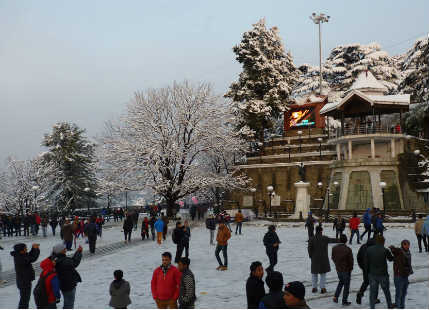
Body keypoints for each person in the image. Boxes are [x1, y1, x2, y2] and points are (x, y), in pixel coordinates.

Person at [308, 226, 339, 294]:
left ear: (315, 231)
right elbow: (333, 240)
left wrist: (311, 256)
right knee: (323, 274)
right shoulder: (324, 238)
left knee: (314, 274)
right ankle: (322, 288)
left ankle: (314, 287)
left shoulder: (311, 238)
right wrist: (341, 239)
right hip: (323, 259)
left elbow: (309, 249)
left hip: (314, 258)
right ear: (321, 231)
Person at [366, 235, 394, 309]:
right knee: (386, 291)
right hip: (383, 274)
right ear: (383, 242)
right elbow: (391, 259)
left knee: (372, 292)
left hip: (372, 274)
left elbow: (366, 262)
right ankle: (389, 305)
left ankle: (372, 307)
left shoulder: (369, 249)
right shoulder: (385, 250)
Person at [10, 243, 41, 308]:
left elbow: (29, 255)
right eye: (25, 248)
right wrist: (36, 249)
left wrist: (33, 248)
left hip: (24, 281)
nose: (26, 249)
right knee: (24, 300)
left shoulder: (20, 255)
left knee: (25, 299)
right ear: (21, 250)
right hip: (24, 282)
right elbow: (32, 258)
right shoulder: (20, 258)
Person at [53, 243, 83, 309]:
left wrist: (77, 252)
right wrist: (79, 252)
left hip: (63, 284)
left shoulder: (57, 258)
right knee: (69, 304)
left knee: (67, 303)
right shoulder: (63, 260)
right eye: (64, 249)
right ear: (60, 251)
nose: (65, 250)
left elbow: (71, 261)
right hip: (68, 285)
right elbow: (74, 262)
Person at [389, 240, 413, 309]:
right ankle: (398, 306)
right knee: (399, 293)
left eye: (408, 245)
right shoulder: (399, 252)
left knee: (404, 293)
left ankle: (402, 306)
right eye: (406, 245)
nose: (408, 246)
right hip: (399, 276)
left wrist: (409, 271)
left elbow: (408, 263)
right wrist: (392, 248)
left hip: (405, 275)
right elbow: (395, 251)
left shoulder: (408, 252)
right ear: (403, 245)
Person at [331, 234, 353, 306]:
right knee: (346, 285)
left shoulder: (334, 248)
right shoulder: (348, 249)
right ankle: (344, 300)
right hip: (346, 269)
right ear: (346, 241)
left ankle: (336, 297)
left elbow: (333, 258)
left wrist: (337, 264)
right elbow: (351, 261)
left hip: (338, 269)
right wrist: (350, 269)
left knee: (341, 282)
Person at [356, 238, 378, 305]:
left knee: (366, 282)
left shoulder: (363, 246)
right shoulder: (373, 249)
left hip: (365, 268)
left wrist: (362, 266)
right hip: (372, 269)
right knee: (375, 284)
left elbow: (358, 257)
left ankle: (360, 293)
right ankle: (374, 299)